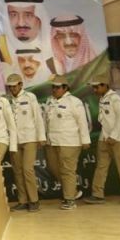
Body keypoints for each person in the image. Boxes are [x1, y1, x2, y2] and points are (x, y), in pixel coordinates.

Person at [84, 75, 120, 204]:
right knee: (101, 166)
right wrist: (105, 136)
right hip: (104, 138)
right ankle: (97, 194)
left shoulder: (115, 98)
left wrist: (113, 136)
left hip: (116, 139)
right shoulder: (102, 98)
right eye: (93, 87)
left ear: (104, 85)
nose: (95, 90)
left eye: (97, 87)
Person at [44, 76, 91, 210]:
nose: (54, 89)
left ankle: (70, 200)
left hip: (70, 141)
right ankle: (73, 192)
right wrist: (44, 138)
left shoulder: (74, 101)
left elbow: (82, 122)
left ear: (65, 88)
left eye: (57, 87)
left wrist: (85, 140)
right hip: (52, 141)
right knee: (54, 168)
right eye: (53, 87)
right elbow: (45, 121)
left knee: (67, 171)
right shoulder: (49, 101)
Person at [5, 73, 46, 213]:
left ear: (21, 84)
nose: (12, 89)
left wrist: (41, 136)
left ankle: (34, 200)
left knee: (27, 169)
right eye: (10, 87)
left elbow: (38, 117)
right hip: (14, 140)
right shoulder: (6, 100)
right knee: (17, 171)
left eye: (14, 86)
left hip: (29, 137)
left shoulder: (30, 97)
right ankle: (22, 201)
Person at [0, 0, 53, 69]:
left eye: (28, 15)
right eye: (13, 15)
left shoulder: (54, 44)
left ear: (40, 18)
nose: (21, 23)